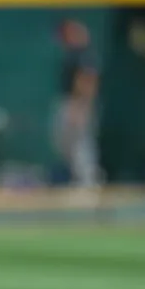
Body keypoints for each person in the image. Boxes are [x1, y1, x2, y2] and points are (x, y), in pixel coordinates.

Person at [52, 18, 102, 193]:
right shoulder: (73, 53)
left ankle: (88, 180)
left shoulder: (85, 54)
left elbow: (88, 81)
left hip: (77, 103)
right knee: (64, 142)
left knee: (81, 142)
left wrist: (81, 106)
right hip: (69, 102)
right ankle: (80, 178)